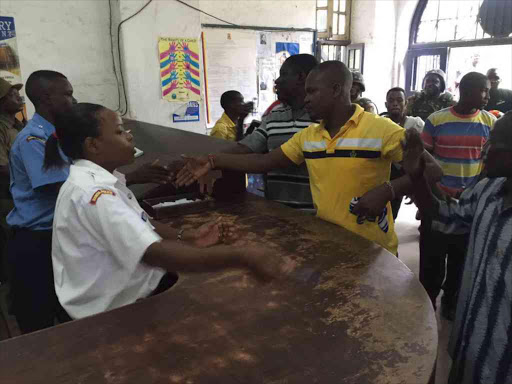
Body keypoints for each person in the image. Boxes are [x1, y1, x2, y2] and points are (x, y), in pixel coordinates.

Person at [43, 103, 284, 320]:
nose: (129, 136)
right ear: (93, 145)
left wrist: (187, 237)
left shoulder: (106, 181)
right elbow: (153, 253)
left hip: (129, 299)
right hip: (112, 315)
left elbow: (141, 222)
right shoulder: (95, 194)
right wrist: (241, 256)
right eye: (119, 131)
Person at [176, 61, 443, 256]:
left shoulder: (380, 129)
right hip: (329, 245)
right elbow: (263, 162)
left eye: (312, 92)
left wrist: (388, 190)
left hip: (375, 251)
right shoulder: (309, 136)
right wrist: (213, 161)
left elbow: (433, 171)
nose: (306, 100)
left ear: (337, 90)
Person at [6, 70, 174, 334]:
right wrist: (126, 175)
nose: (73, 100)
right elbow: (62, 186)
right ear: (47, 98)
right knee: (38, 319)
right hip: (37, 238)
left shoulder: (62, 135)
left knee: (73, 313)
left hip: (67, 234)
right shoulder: (34, 139)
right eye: (68, 94)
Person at [401, 113, 512, 384]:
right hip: (470, 347)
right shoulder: (488, 190)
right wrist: (417, 176)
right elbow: (445, 216)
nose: (484, 149)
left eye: (494, 143)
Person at [419, 72, 496, 320]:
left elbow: (488, 165)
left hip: (468, 207)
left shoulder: (490, 123)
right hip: (437, 203)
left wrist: (474, 191)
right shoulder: (436, 120)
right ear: (464, 90)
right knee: (431, 261)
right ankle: (425, 305)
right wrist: (433, 192)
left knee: (460, 263)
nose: (488, 96)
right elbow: (423, 161)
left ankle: (451, 301)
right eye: (483, 90)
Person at [225, 54, 319, 211]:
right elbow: (245, 148)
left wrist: (211, 161)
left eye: (283, 74)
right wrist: (206, 159)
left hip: (316, 216)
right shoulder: (274, 117)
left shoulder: (322, 118)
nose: (277, 81)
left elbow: (265, 162)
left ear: (301, 77)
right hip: (278, 212)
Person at [383, 87, 425, 220]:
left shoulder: (416, 124)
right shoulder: (380, 124)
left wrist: (414, 184)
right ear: (386, 105)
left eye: (399, 100)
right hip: (385, 174)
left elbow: (423, 152)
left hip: (407, 174)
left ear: (406, 104)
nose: (395, 103)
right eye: (391, 100)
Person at [0, 78, 24, 283]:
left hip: (20, 195)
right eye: (11, 94)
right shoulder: (1, 128)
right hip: (8, 197)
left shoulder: (17, 124)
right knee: (12, 246)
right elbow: (2, 168)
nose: (18, 96)